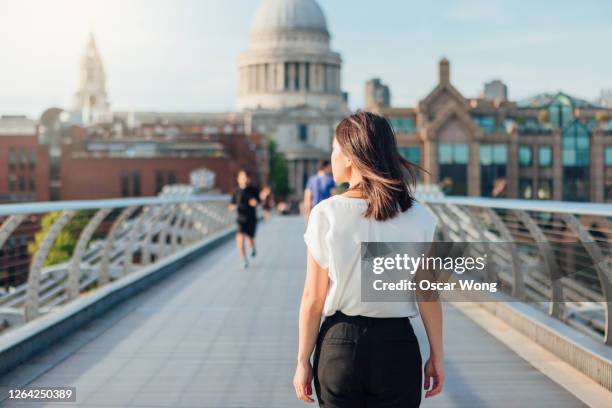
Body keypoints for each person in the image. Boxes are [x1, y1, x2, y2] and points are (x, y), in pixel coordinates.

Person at [293, 112, 444, 407]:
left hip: (340, 344)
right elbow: (427, 293)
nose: (332, 156)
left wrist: (302, 360)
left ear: (350, 156)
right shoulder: (420, 216)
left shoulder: (326, 214)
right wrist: (437, 355)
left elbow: (313, 297)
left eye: (335, 149)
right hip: (398, 346)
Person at [228, 170, 260, 268]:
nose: (244, 179)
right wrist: (232, 207)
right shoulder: (236, 191)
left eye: (246, 177)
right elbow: (231, 205)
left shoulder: (253, 190)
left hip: (251, 218)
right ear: (238, 179)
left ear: (248, 179)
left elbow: (257, 201)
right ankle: (244, 259)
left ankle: (253, 248)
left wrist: (254, 202)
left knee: (250, 237)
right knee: (240, 240)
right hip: (240, 219)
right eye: (242, 177)